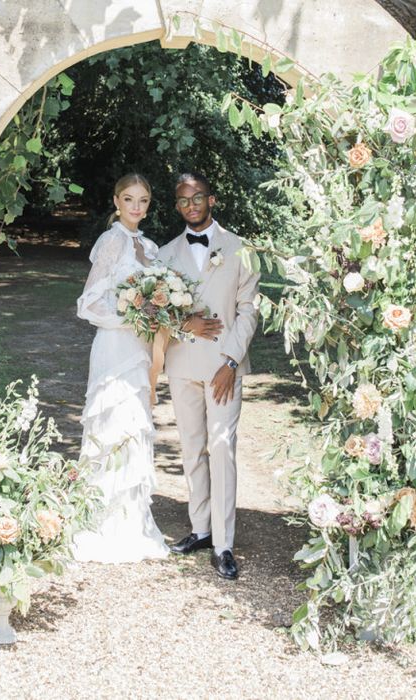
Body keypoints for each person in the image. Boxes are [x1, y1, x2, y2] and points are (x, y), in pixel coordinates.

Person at [157, 172, 260, 580]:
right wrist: (186, 323)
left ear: (211, 199)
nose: (192, 205)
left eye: (198, 197)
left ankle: (224, 543)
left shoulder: (239, 248)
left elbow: (249, 309)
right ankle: (200, 529)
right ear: (177, 206)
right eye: (184, 200)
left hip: (223, 368)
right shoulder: (165, 255)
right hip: (182, 364)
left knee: (222, 449)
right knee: (191, 447)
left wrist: (231, 361)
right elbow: (159, 311)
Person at [71, 174, 169, 563]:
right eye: (129, 199)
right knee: (112, 422)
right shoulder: (111, 242)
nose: (136, 207)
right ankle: (99, 519)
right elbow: (88, 303)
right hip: (115, 345)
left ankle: (132, 521)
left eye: (143, 200)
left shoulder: (150, 246)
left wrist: (157, 315)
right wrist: (131, 316)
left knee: (136, 421)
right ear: (116, 201)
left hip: (142, 348)